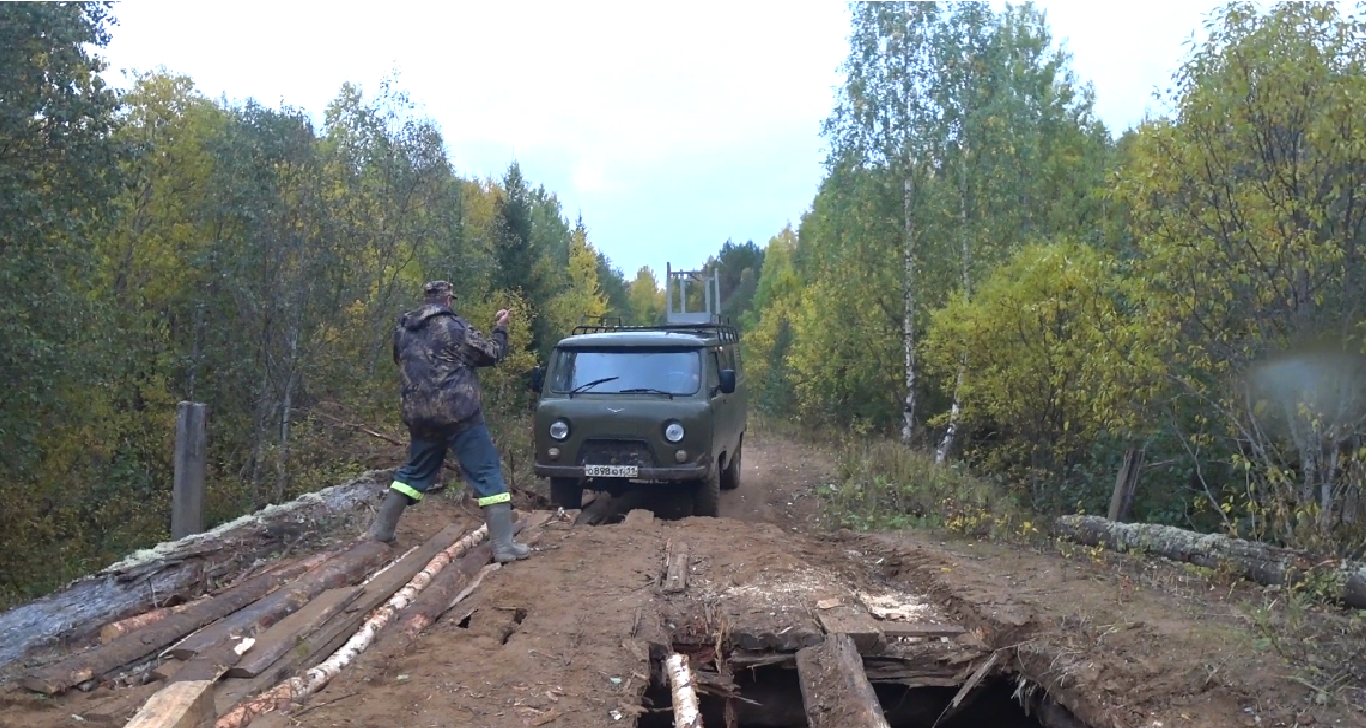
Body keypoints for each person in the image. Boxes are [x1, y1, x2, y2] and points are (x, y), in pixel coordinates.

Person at [366, 280, 531, 563]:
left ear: (426, 299)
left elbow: (400, 361)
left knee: (413, 474)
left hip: (420, 416)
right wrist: (501, 328)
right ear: (448, 300)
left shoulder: (403, 329)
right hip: (459, 415)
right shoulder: (454, 327)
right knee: (487, 473)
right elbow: (492, 354)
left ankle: (381, 531)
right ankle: (504, 546)